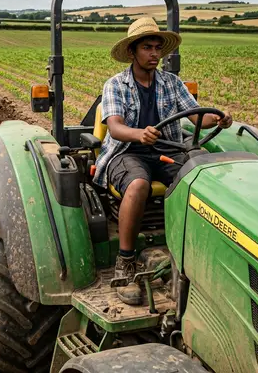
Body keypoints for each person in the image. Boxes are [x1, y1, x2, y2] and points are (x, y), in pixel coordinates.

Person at [93, 16, 232, 305]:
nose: (154, 54)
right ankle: (126, 263)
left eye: (158, 48)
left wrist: (217, 118)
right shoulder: (116, 85)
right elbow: (115, 127)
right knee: (138, 184)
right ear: (132, 51)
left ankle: (198, 253)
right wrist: (138, 134)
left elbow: (195, 115)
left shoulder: (171, 83)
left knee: (200, 177)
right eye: (147, 47)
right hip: (126, 152)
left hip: (167, 151)